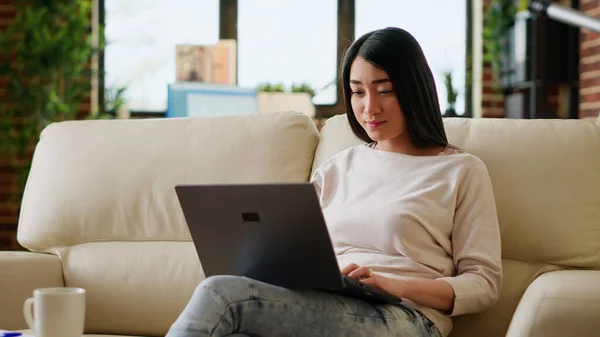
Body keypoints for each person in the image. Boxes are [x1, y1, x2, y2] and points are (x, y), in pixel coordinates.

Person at [165, 27, 502, 337]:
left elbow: (484, 283)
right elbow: (299, 252)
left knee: (221, 293)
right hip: (325, 301)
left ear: (415, 89)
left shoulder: (460, 171)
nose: (369, 107)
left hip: (406, 316)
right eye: (357, 92)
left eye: (384, 90)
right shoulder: (338, 167)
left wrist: (391, 284)